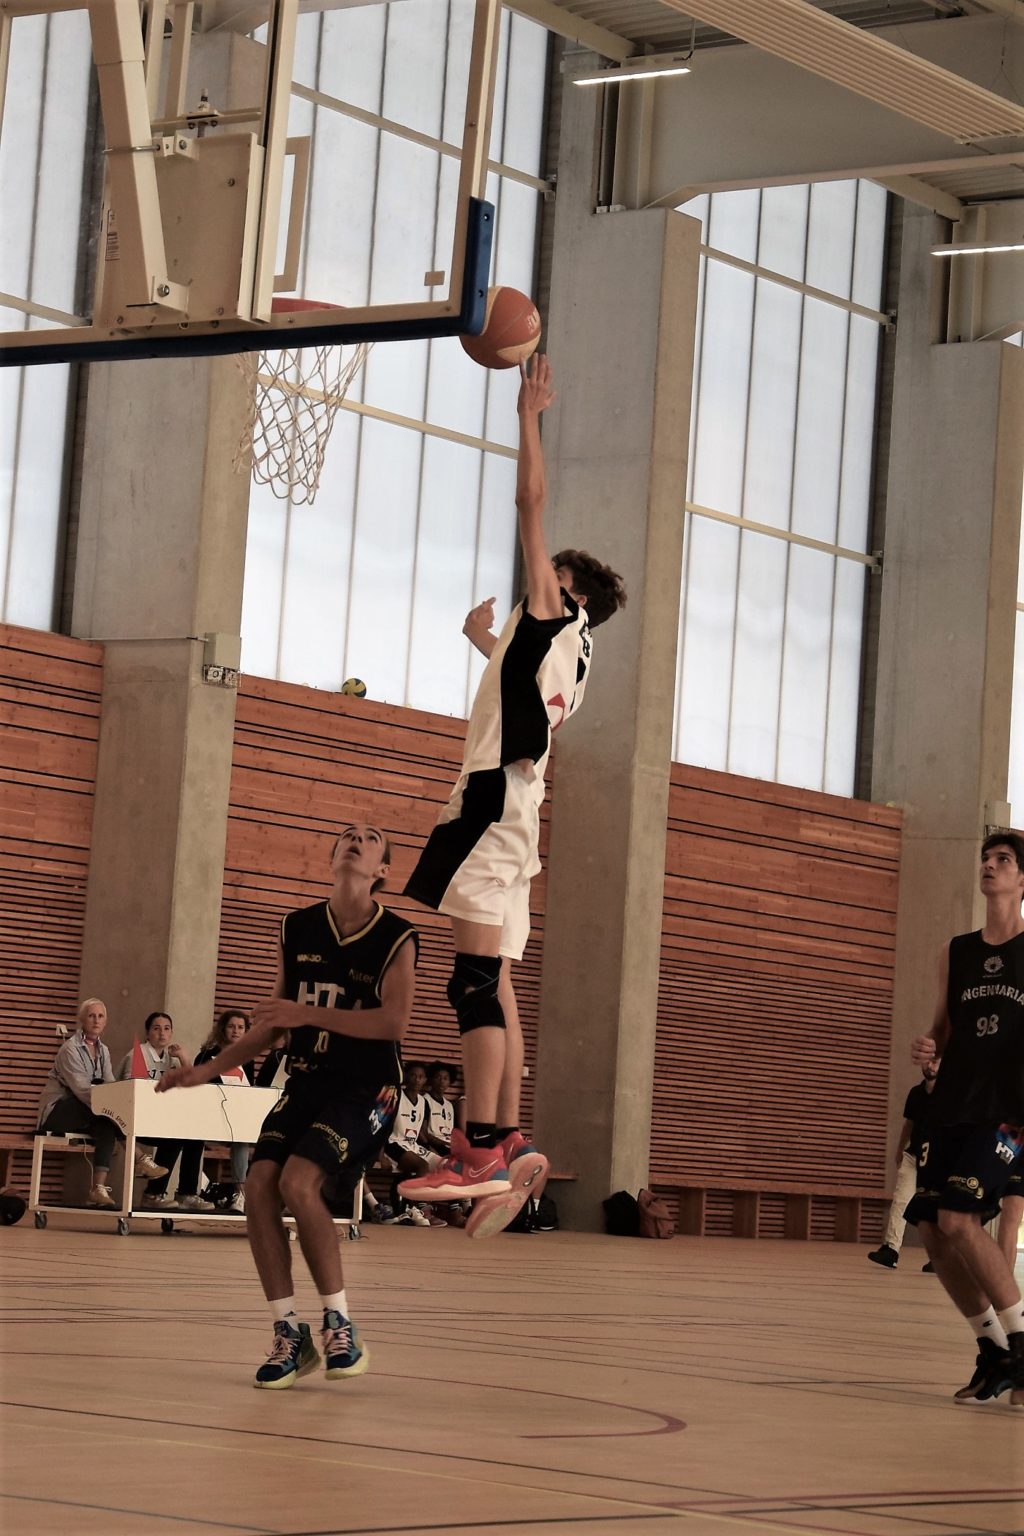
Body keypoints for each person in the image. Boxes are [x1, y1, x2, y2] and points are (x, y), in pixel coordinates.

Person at [399, 355, 626, 1239]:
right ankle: (507, 1136)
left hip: (492, 803)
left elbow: (531, 504)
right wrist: (482, 640)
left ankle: (481, 1149)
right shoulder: (574, 651)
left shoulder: (554, 605)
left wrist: (529, 416)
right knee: (494, 980)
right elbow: (519, 685)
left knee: (470, 982)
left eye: (548, 571)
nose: (537, 569)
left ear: (568, 589)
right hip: (520, 810)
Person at [158, 823, 417, 1389]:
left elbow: (394, 1023)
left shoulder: (397, 935)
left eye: (371, 838)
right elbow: (274, 1023)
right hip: (307, 1081)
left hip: (368, 1088)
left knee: (299, 1183)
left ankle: (340, 1324)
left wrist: (308, 1015)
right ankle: (288, 1333)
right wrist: (203, 1070)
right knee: (258, 1186)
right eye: (347, 835)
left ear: (382, 870)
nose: (355, 840)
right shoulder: (296, 927)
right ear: (332, 856)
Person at [905, 832, 1024, 1407]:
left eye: (1003, 860)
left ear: (1022, 880)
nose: (989, 867)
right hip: (952, 1103)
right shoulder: (956, 951)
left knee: (958, 1217)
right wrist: (929, 1049)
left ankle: (1022, 1346)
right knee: (932, 1227)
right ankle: (994, 1352)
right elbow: (942, 1028)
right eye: (985, 859)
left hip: (1008, 1111)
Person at [36, 998, 166, 1208]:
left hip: (89, 1111)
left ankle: (97, 1189)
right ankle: (140, 1158)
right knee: (106, 1112)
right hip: (59, 1111)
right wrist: (114, 1107)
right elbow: (82, 1091)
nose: (96, 1020)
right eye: (91, 1015)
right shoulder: (70, 1049)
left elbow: (110, 1084)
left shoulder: (103, 1050)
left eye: (100, 1016)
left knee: (107, 1126)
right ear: (82, 1020)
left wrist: (117, 1105)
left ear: (105, 1021)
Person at [117, 1012, 213, 1212]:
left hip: (160, 1119)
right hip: (133, 1118)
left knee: (195, 1134)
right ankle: (153, 1194)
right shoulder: (137, 1054)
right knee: (174, 1135)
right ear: (147, 1033)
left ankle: (187, 1193)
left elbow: (194, 1084)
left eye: (166, 1028)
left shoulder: (172, 1058)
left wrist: (184, 1058)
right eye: (156, 1028)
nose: (162, 1033)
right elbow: (127, 1091)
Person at [868, 1060, 939, 1269]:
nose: (931, 1066)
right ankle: (891, 1249)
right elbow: (909, 1124)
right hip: (913, 1156)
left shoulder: (949, 1095)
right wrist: (900, 1149)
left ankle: (938, 1258)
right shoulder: (916, 1093)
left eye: (936, 1061)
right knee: (901, 1200)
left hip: (937, 1161)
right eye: (928, 1062)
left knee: (934, 1208)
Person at [195, 1009, 254, 1211]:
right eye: (231, 1026)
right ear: (222, 1029)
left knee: (243, 1136)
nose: (236, 1031)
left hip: (236, 1117)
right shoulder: (207, 1055)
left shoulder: (248, 1059)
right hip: (208, 1115)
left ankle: (240, 1193)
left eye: (241, 1027)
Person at [379, 1061, 444, 1226]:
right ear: (406, 1076)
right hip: (393, 1142)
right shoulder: (396, 1096)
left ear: (425, 1080)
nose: (417, 1080)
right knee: (421, 1166)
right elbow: (382, 1126)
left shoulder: (424, 1102)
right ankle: (418, 1208)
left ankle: (412, 1206)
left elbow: (422, 1133)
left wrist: (433, 1149)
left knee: (444, 1165)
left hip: (412, 1144)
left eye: (421, 1077)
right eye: (413, 1075)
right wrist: (380, 1156)